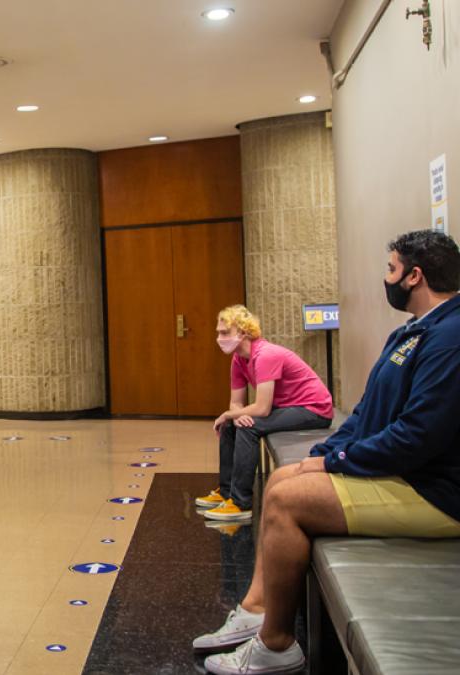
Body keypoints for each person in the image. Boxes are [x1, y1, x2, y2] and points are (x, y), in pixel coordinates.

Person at [197, 230, 460, 675]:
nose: (386, 277)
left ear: (415, 276)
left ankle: (277, 645)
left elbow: (418, 436)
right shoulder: (413, 332)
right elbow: (367, 413)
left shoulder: (450, 336)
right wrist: (324, 452)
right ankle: (257, 608)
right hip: (410, 474)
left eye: (391, 269)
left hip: (437, 493)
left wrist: (336, 463)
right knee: (283, 477)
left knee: (286, 499)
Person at [197, 306, 334, 522]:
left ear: (243, 333)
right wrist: (234, 415)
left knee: (248, 426)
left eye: (225, 333)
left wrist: (230, 414)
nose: (219, 338)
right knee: (232, 424)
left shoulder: (265, 355)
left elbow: (262, 409)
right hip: (287, 406)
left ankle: (241, 504)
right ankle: (226, 492)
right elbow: (236, 402)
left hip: (314, 409)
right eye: (218, 333)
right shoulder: (239, 359)